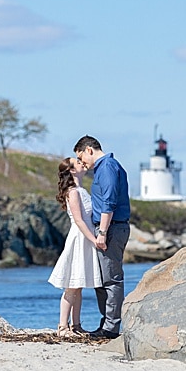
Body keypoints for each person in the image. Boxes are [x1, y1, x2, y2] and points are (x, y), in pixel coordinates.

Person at [73, 135, 130, 340]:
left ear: (89, 149)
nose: (83, 163)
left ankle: (111, 327)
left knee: (110, 279)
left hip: (111, 228)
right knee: (101, 279)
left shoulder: (106, 167)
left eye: (82, 157)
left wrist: (103, 232)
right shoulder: (105, 167)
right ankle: (107, 322)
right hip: (109, 227)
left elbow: (109, 202)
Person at [47, 157, 103, 337]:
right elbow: (79, 220)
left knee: (78, 285)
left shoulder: (81, 190)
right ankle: (62, 326)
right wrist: (94, 240)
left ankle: (76, 325)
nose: (82, 163)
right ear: (71, 170)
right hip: (80, 238)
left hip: (85, 236)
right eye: (77, 162)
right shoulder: (72, 192)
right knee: (71, 285)